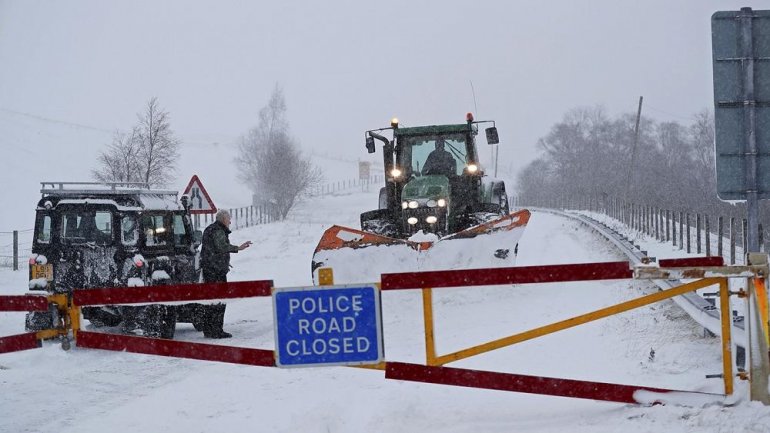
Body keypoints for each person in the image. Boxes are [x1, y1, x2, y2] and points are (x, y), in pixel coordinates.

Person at [198, 209, 252, 338]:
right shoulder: (218, 230)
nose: (230, 221)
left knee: (211, 300)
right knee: (219, 300)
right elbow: (221, 247)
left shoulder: (210, 229)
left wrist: (223, 262)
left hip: (210, 269)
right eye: (228, 219)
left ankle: (208, 329)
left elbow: (211, 251)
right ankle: (216, 330)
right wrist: (237, 248)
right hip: (216, 272)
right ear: (223, 219)